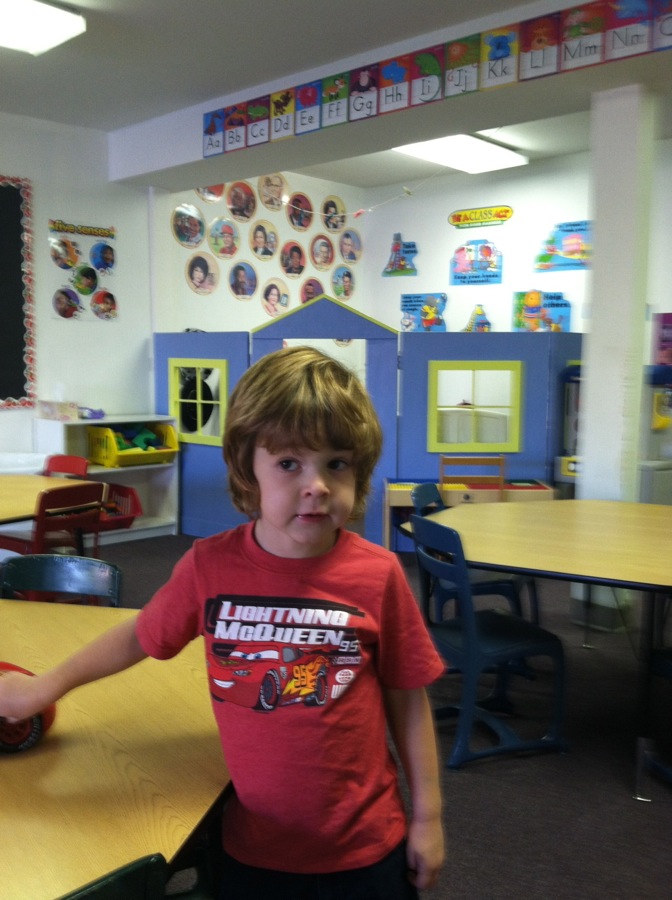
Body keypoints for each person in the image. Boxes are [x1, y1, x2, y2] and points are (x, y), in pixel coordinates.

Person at [0, 347, 445, 900]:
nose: (317, 485)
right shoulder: (210, 566)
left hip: (364, 850)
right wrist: (44, 687)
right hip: (253, 849)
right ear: (246, 467)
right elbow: (139, 635)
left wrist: (429, 817)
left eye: (337, 463)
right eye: (289, 463)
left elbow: (408, 699)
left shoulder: (377, 575)